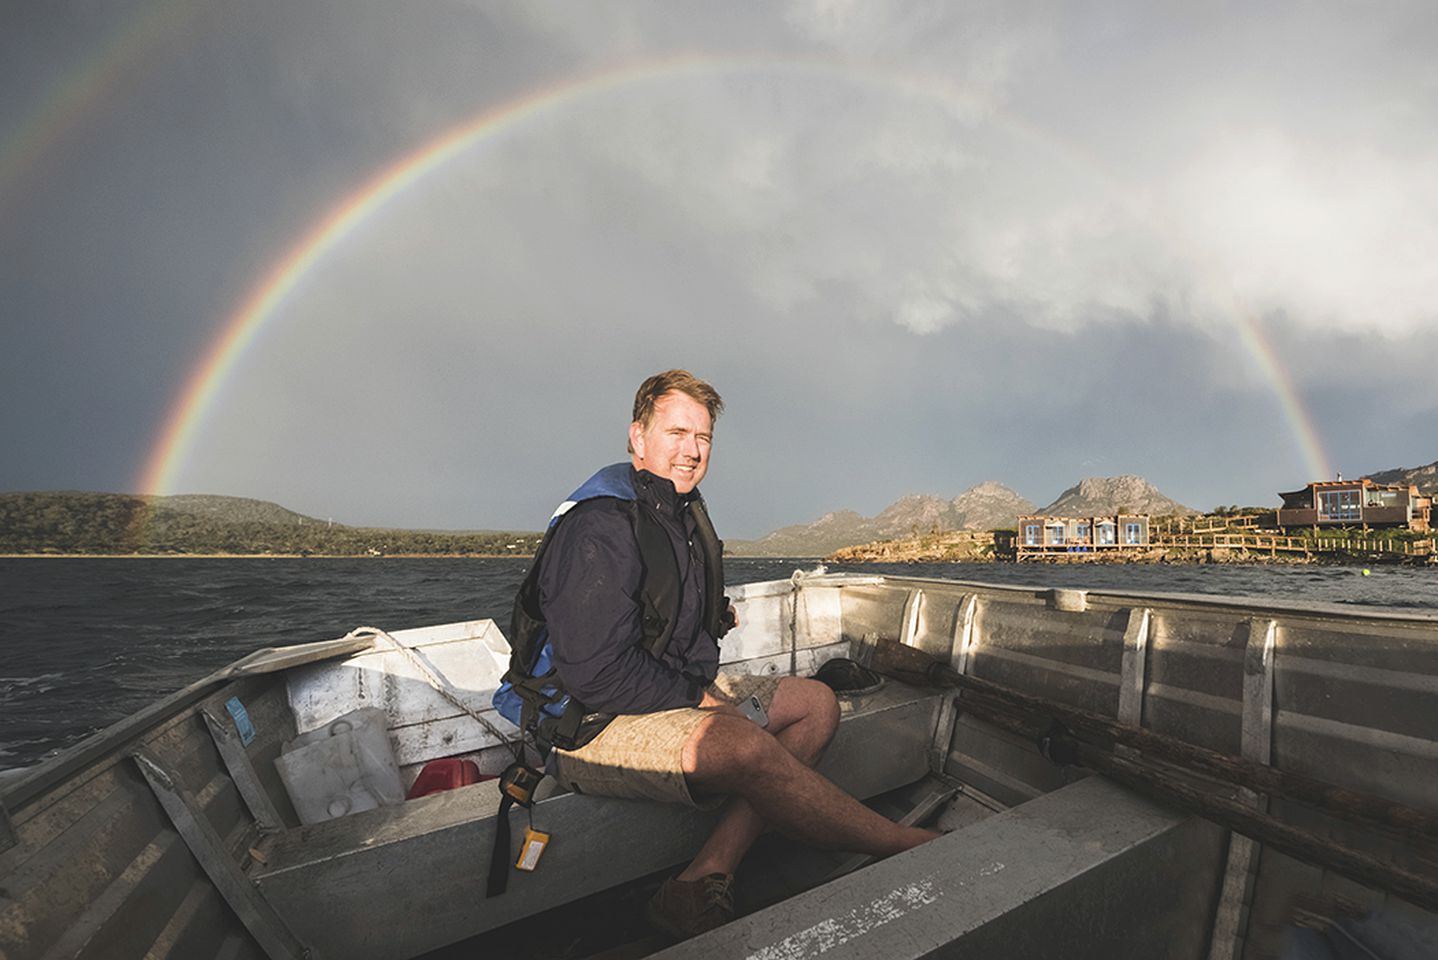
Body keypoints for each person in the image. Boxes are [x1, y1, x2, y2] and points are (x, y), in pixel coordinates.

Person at [529, 370, 938, 940]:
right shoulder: (600, 526)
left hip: (665, 693)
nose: (692, 451)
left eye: (704, 439)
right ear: (637, 437)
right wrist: (703, 700)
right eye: (676, 433)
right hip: (587, 723)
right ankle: (898, 841)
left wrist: (713, 618)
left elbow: (659, 611)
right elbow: (595, 671)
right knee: (740, 738)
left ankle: (700, 877)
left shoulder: (679, 513)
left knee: (817, 704)